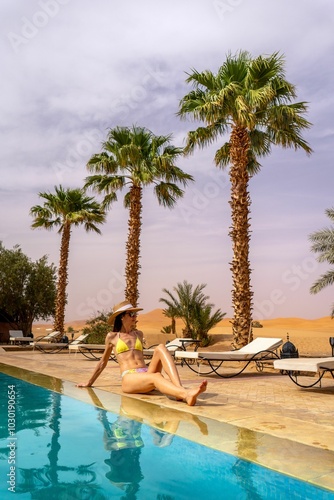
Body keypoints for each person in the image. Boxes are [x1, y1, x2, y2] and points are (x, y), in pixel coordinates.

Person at [77, 300, 207, 406]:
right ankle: (185, 394)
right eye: (131, 314)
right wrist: (89, 382)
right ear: (122, 317)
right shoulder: (112, 337)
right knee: (156, 377)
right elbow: (102, 362)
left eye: (135, 314)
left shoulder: (138, 334)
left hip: (145, 372)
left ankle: (180, 390)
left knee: (161, 348)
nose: (135, 317)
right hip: (129, 378)